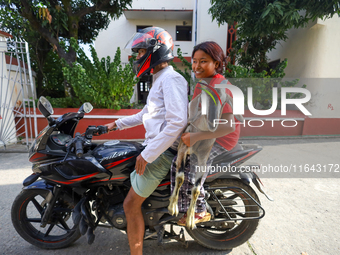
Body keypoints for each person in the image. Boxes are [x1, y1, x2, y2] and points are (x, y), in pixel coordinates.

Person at [105, 27, 188, 255]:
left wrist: (148, 154)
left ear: (156, 50)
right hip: (154, 147)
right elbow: (146, 114)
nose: (137, 57)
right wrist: (116, 124)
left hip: (162, 152)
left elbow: (177, 122)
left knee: (130, 205)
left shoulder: (171, 79)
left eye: (140, 52)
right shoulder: (159, 78)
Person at [171, 41, 241, 226]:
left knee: (191, 167)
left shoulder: (221, 87)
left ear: (216, 64)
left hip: (221, 139)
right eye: (194, 61)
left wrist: (196, 137)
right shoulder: (202, 84)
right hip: (203, 132)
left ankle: (199, 209)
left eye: (203, 61)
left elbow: (229, 126)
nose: (196, 66)